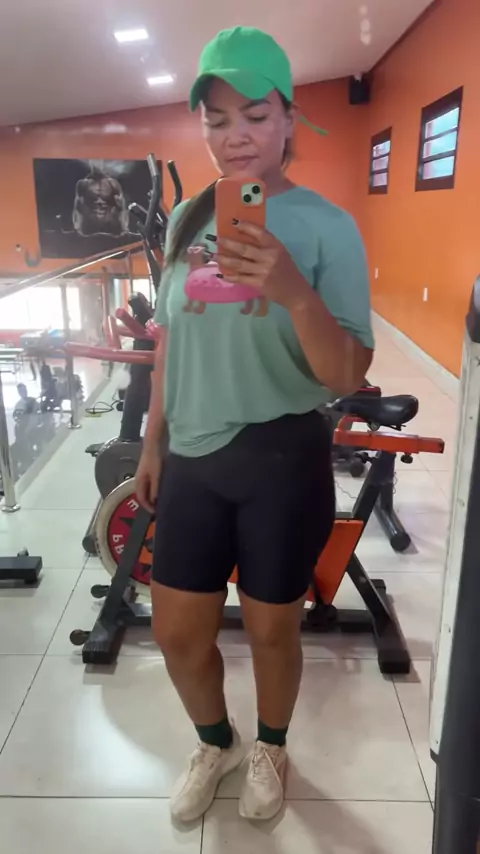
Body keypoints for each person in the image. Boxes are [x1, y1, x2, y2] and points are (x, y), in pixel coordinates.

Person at [135, 26, 374, 824]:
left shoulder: (327, 227)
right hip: (194, 454)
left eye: (255, 115)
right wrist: (152, 440)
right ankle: (217, 742)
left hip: (281, 454)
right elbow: (170, 339)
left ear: (290, 119)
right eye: (217, 119)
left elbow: (348, 373)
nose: (234, 135)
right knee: (177, 633)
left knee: (274, 631)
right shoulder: (186, 219)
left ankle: (271, 746)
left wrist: (295, 292)